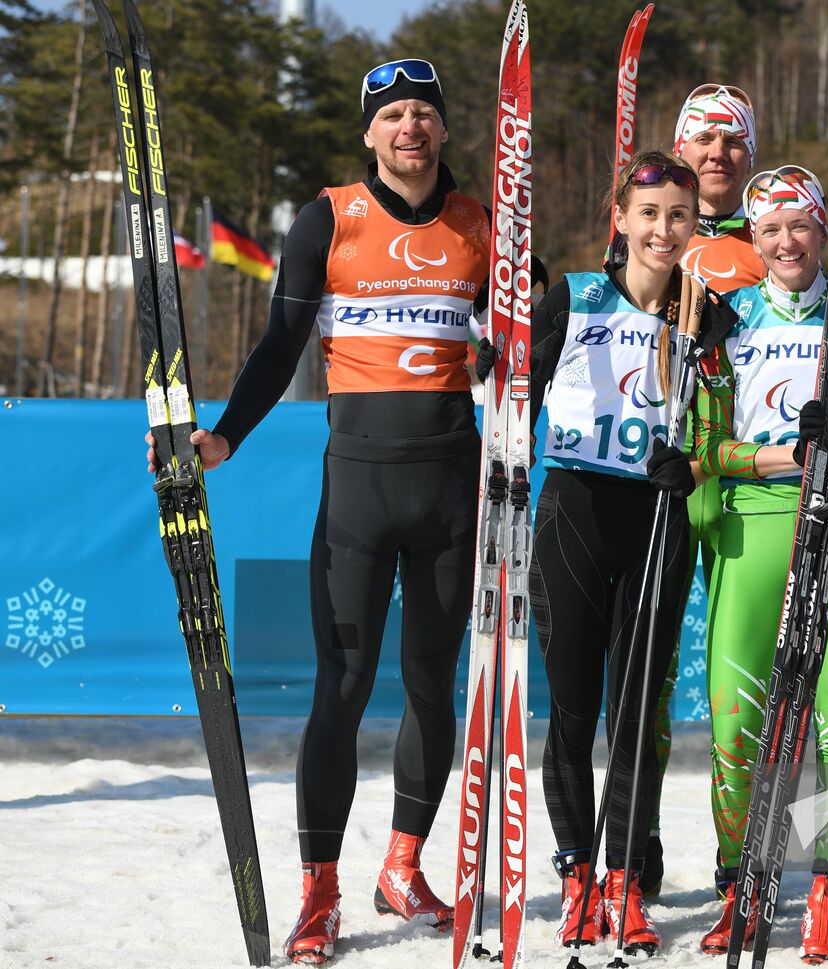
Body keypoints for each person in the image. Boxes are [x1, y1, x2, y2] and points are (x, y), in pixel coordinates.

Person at [143, 60, 489, 964]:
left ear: (443, 128)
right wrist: (222, 439)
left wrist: (512, 345)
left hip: (452, 491)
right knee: (341, 686)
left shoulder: (482, 223)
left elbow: (537, 327)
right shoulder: (330, 217)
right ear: (369, 133)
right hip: (359, 494)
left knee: (432, 682)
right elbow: (279, 345)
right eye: (393, 115)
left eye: (423, 113)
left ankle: (403, 867)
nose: (410, 127)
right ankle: (321, 890)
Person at [529, 150, 735, 956]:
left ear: (694, 225)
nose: (663, 229)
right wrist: (496, 357)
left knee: (637, 713)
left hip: (657, 520)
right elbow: (512, 385)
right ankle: (578, 876)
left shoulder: (706, 315)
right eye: (649, 214)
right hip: (574, 512)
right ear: (621, 219)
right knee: (574, 709)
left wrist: (696, 458)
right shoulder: (575, 295)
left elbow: (734, 417)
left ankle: (624, 881)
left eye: (679, 216)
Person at [691, 165, 828, 961]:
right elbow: (709, 449)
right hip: (755, 520)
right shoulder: (729, 317)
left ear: (824, 230)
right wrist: (785, 455)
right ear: (752, 236)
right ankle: (739, 887)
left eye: (800, 225)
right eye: (770, 229)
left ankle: (826, 893)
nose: (786, 242)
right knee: (738, 720)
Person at [640, 81, 768, 897]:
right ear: (680, 146)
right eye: (704, 139)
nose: (718, 153)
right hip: (664, 471)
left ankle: (736, 854)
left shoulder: (775, 236)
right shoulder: (654, 228)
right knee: (648, 671)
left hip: (744, 475)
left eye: (733, 140)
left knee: (740, 679)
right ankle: (639, 840)